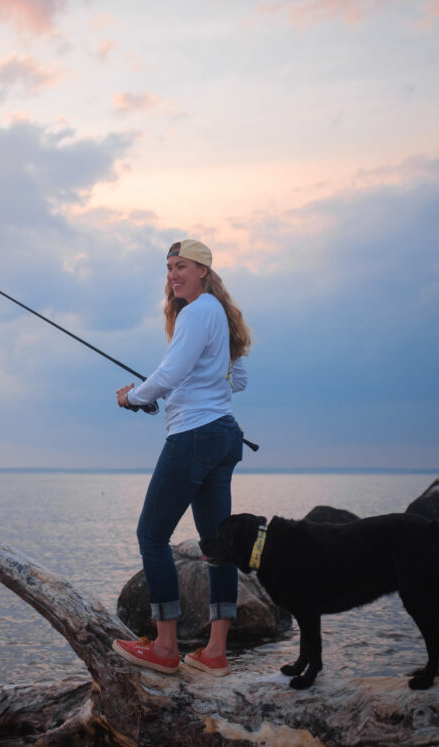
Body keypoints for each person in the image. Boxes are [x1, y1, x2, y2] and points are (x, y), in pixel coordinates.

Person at [112, 238, 251, 677]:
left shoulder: (195, 313)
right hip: (224, 435)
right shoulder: (222, 316)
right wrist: (200, 388)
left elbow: (170, 374)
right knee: (216, 547)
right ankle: (215, 652)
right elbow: (238, 380)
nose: (173, 274)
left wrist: (133, 396)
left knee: (152, 537)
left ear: (204, 271)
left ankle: (166, 646)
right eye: (170, 267)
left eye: (182, 267)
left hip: (193, 438)